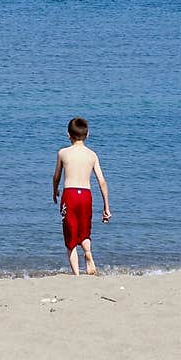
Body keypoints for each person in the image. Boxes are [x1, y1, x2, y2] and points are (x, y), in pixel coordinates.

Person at [52, 116, 111, 275]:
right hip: (85, 195)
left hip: (70, 195)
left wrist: (54, 190)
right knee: (84, 231)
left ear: (68, 135)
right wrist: (106, 207)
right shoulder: (92, 155)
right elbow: (102, 181)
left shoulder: (63, 153)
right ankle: (88, 253)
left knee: (70, 238)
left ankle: (77, 275)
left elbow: (56, 176)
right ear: (88, 134)